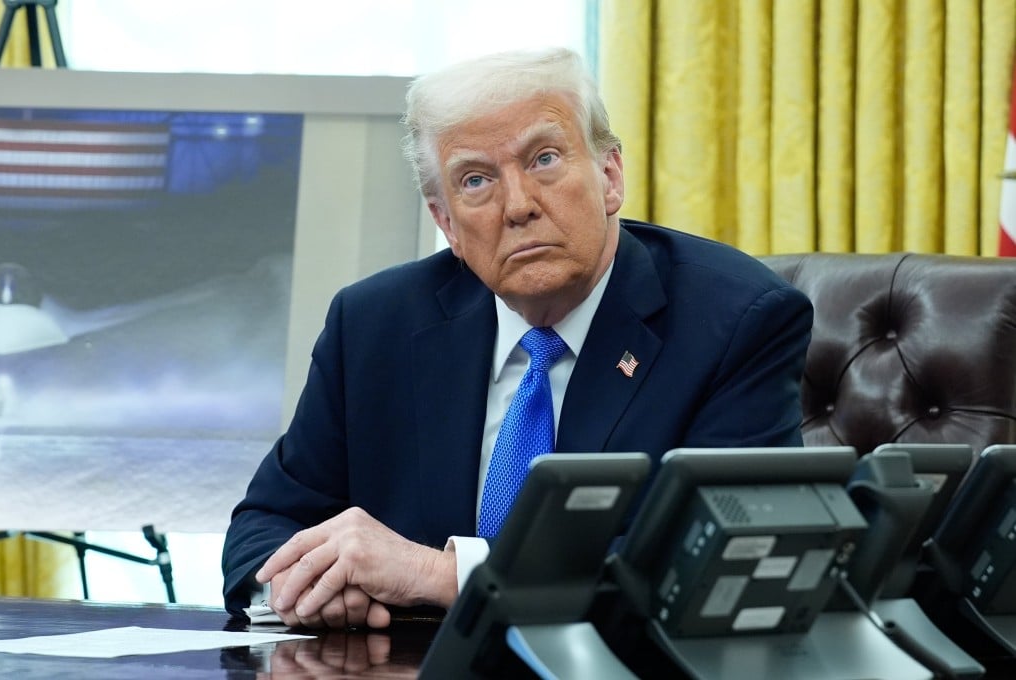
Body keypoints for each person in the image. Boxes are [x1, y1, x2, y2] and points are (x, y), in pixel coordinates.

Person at [221, 46, 813, 629]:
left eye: (545, 159)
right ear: (446, 222)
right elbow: (268, 522)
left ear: (609, 176)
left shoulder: (736, 321)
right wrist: (306, 583)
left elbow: (728, 563)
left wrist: (441, 575)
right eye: (475, 180)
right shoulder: (374, 324)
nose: (518, 206)